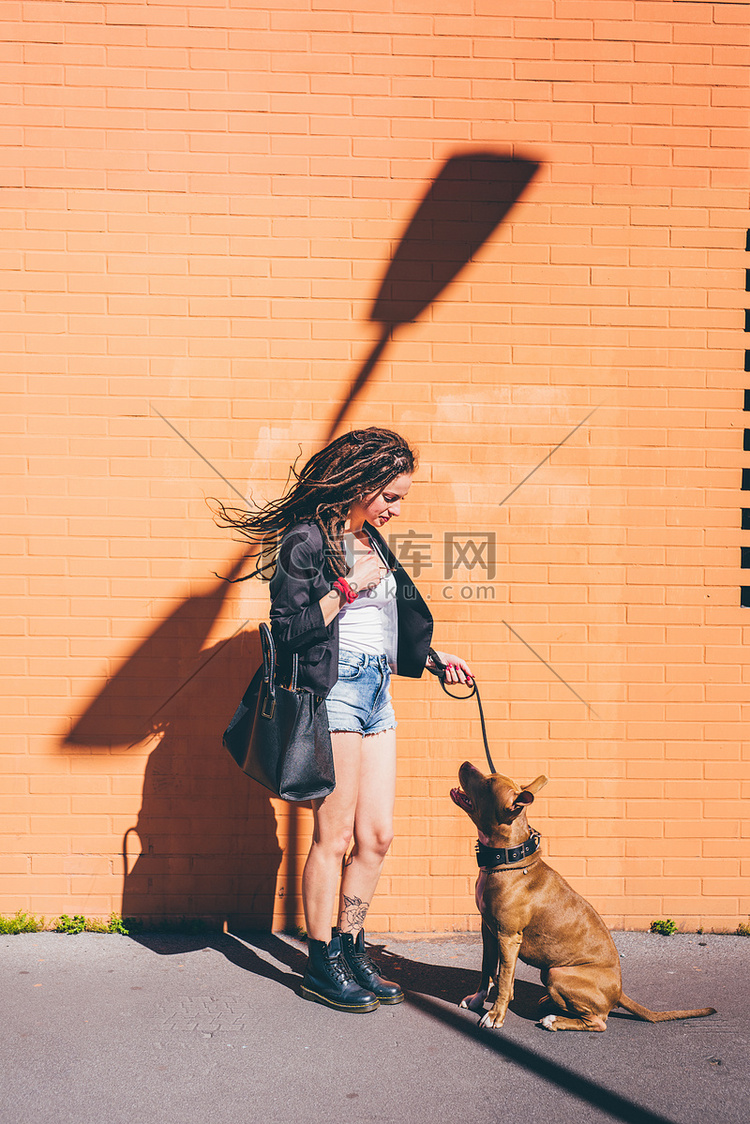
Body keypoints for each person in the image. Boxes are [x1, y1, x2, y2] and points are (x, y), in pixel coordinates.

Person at [218, 427, 473, 1013]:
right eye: (390, 496)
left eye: (401, 497)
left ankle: (351, 945)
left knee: (377, 837)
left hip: (377, 689)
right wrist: (345, 588)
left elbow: (385, 623)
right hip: (331, 693)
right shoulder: (306, 540)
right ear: (359, 484)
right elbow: (286, 631)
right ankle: (320, 959)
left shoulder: (373, 541)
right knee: (332, 837)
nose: (396, 508)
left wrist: (433, 658)